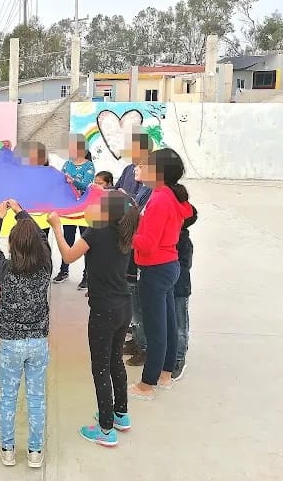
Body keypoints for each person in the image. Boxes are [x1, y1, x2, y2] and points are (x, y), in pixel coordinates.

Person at [48, 190, 140, 446]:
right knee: (115, 362)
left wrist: (57, 226)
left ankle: (105, 429)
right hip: (123, 307)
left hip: (104, 311)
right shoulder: (124, 230)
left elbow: (68, 256)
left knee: (100, 367)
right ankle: (120, 414)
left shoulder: (97, 232)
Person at [0, 199, 52, 469]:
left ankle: (8, 449)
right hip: (38, 343)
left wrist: (0, 217)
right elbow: (43, 239)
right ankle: (35, 452)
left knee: (8, 396)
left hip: (10, 344)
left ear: (11, 245)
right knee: (36, 397)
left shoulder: (5, 271)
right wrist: (21, 212)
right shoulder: (46, 267)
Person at [127, 148, 193, 401]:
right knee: (167, 325)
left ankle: (147, 384)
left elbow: (147, 243)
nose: (141, 167)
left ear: (159, 172)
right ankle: (165, 374)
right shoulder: (168, 195)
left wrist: (123, 235)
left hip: (155, 268)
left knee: (156, 329)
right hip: (168, 266)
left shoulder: (160, 199)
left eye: (147, 164)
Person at [117, 129, 153, 367]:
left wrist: (125, 198)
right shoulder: (128, 171)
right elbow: (118, 190)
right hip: (129, 238)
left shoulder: (151, 181)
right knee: (130, 292)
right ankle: (136, 337)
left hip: (139, 242)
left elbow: (136, 206)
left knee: (139, 296)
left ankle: (145, 346)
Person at [54, 137, 95, 287]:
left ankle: (87, 275)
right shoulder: (67, 164)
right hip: (69, 208)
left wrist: (73, 181)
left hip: (85, 209)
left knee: (86, 241)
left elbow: (87, 185)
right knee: (67, 238)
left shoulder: (89, 166)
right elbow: (59, 180)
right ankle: (64, 270)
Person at [173, 204, 198, 381]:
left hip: (179, 288)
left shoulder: (183, 242)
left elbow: (184, 266)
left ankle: (179, 358)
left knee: (180, 326)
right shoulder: (172, 237)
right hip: (167, 287)